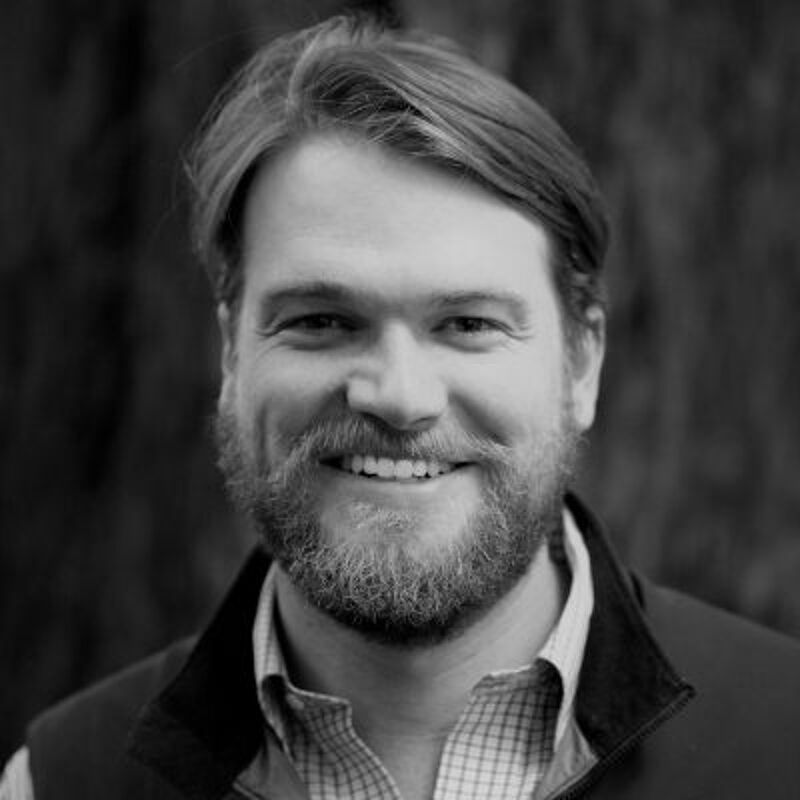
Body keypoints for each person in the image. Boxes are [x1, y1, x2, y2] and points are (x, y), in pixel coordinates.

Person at [3, 13, 800, 800]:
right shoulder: (64, 780)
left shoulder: (783, 743)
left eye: (467, 325)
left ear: (582, 360)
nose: (398, 396)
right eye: (321, 321)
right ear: (231, 352)